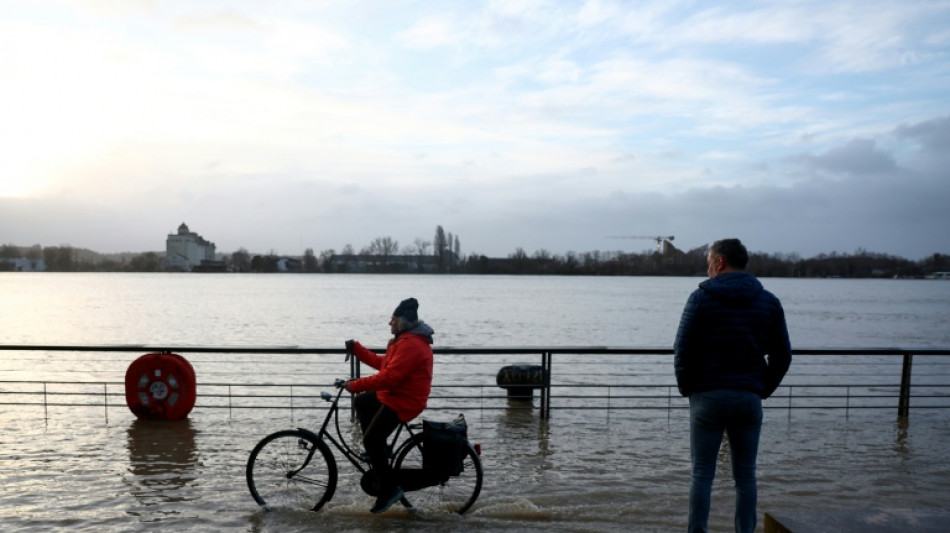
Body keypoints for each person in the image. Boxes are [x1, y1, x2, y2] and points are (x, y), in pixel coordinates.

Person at [673, 238, 792, 533]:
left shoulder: (700, 299)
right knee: (746, 476)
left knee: (702, 474)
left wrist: (688, 389)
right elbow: (783, 356)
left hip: (707, 397)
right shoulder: (769, 301)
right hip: (748, 398)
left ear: (719, 262)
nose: (707, 270)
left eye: (708, 264)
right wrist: (761, 389)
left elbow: (682, 350)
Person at [344, 297, 435, 514]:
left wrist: (355, 385)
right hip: (395, 394)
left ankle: (389, 490)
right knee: (361, 402)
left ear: (401, 323)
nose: (389, 324)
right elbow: (383, 364)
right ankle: (380, 451)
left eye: (392, 320)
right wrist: (357, 349)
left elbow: (389, 377)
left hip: (405, 401)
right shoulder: (404, 341)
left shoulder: (411, 345)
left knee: (370, 440)